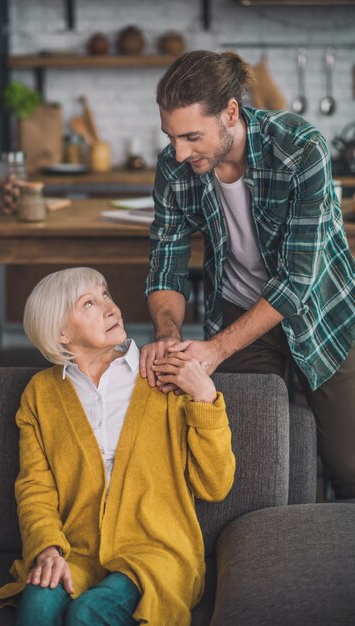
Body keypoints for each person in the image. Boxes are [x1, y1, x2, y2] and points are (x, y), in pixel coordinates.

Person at [141, 50, 355, 500]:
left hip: (323, 315)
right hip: (240, 314)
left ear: (230, 113)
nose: (179, 152)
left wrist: (215, 350)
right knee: (249, 462)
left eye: (192, 136)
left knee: (347, 463)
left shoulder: (300, 148)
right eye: (171, 136)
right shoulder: (174, 167)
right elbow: (167, 262)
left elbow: (297, 282)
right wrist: (166, 331)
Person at [0, 267, 235, 626]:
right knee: (38, 603)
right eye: (89, 302)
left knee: (89, 613)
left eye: (107, 295)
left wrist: (205, 398)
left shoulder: (164, 375)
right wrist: (47, 548)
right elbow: (34, 488)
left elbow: (215, 485)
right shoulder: (41, 394)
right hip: (77, 551)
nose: (110, 307)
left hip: (154, 553)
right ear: (61, 333)